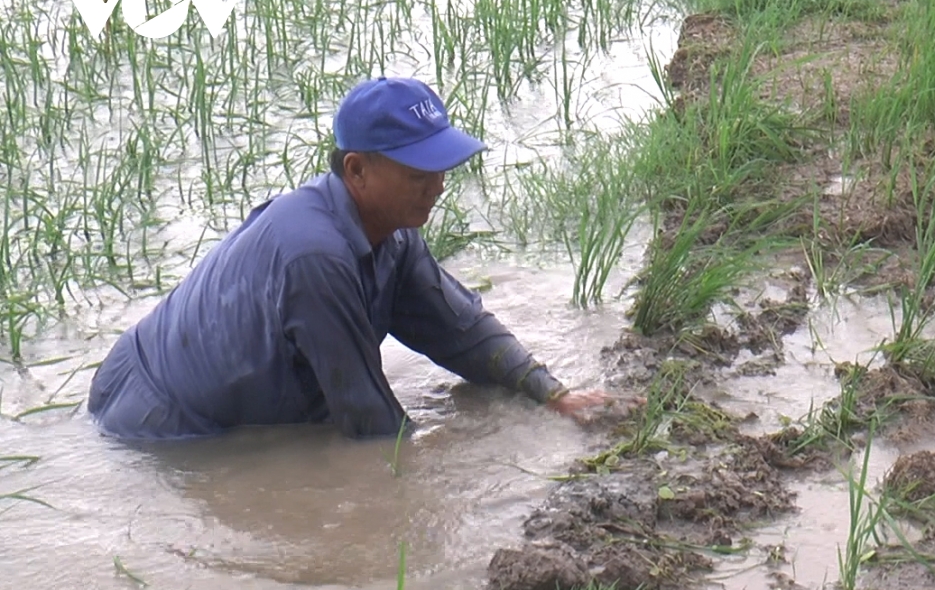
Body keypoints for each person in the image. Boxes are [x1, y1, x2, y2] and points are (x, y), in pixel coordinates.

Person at [88, 76, 623, 440]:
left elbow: (462, 332)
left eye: (443, 168)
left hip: (191, 392)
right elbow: (371, 426)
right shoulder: (314, 258)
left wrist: (554, 396)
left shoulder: (393, 234)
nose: (438, 186)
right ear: (357, 171)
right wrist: (459, 469)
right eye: (419, 172)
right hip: (158, 422)